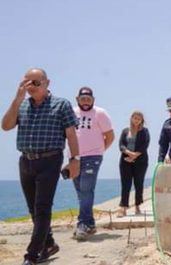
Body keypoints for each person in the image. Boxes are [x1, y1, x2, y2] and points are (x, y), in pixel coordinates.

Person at [1, 68, 80, 265]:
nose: (31, 87)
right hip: (26, 161)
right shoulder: (22, 105)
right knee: (32, 208)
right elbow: (6, 125)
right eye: (27, 83)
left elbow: (71, 134)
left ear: (47, 83)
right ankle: (49, 243)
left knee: (42, 208)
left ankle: (32, 254)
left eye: (36, 82)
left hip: (50, 160)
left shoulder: (61, 105)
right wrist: (17, 99)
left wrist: (75, 159)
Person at [71, 87, 114, 240]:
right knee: (80, 191)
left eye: (88, 99)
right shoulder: (71, 112)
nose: (86, 102)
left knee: (86, 190)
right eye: (83, 99)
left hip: (92, 157)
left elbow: (110, 135)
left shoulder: (100, 113)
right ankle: (90, 224)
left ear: (93, 100)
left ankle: (82, 224)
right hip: (74, 158)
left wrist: (99, 150)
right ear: (77, 99)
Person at [117, 111, 150, 217]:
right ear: (131, 118)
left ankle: (137, 206)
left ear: (141, 121)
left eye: (138, 119)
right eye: (135, 118)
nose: (136, 120)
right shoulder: (125, 131)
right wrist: (129, 153)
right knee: (126, 184)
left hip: (140, 161)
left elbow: (145, 145)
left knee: (138, 184)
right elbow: (121, 145)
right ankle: (123, 208)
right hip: (125, 160)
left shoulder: (145, 131)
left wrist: (135, 155)